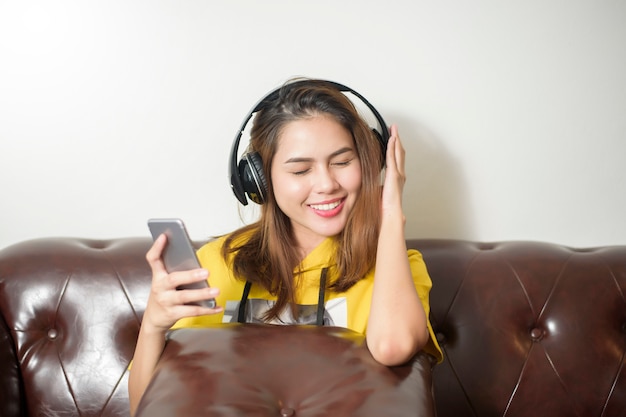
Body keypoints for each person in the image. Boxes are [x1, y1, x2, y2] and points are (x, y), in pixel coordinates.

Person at [128, 78, 442, 415]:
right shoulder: (216, 265)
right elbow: (143, 408)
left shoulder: (398, 268)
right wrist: (154, 326)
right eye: (301, 169)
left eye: (341, 162)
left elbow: (392, 347)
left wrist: (391, 210)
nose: (326, 184)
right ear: (260, 181)